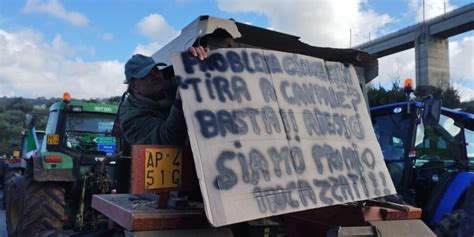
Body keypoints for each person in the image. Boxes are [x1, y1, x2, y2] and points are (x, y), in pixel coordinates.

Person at [118, 46, 208, 146]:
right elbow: (165, 140)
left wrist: (192, 59)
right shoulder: (130, 116)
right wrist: (179, 102)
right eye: (146, 75)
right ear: (134, 87)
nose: (155, 77)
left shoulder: (168, 87)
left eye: (156, 71)